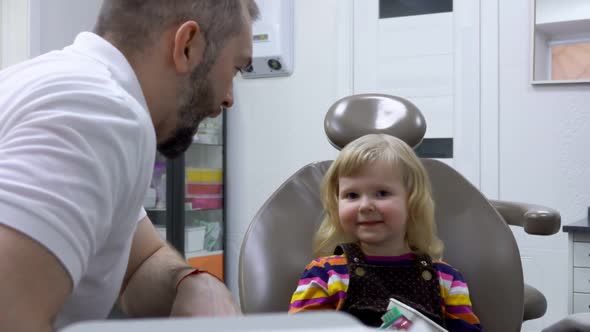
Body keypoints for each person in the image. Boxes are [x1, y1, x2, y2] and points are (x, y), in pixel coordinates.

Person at [0, 0, 259, 330]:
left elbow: (141, 262)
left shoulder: (57, 83)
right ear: (187, 46)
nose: (229, 98)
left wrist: (192, 283)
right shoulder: (101, 113)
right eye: (236, 68)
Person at [288, 134, 483, 331]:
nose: (365, 206)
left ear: (412, 202)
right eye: (352, 195)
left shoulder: (446, 279)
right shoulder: (325, 275)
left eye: (382, 193)